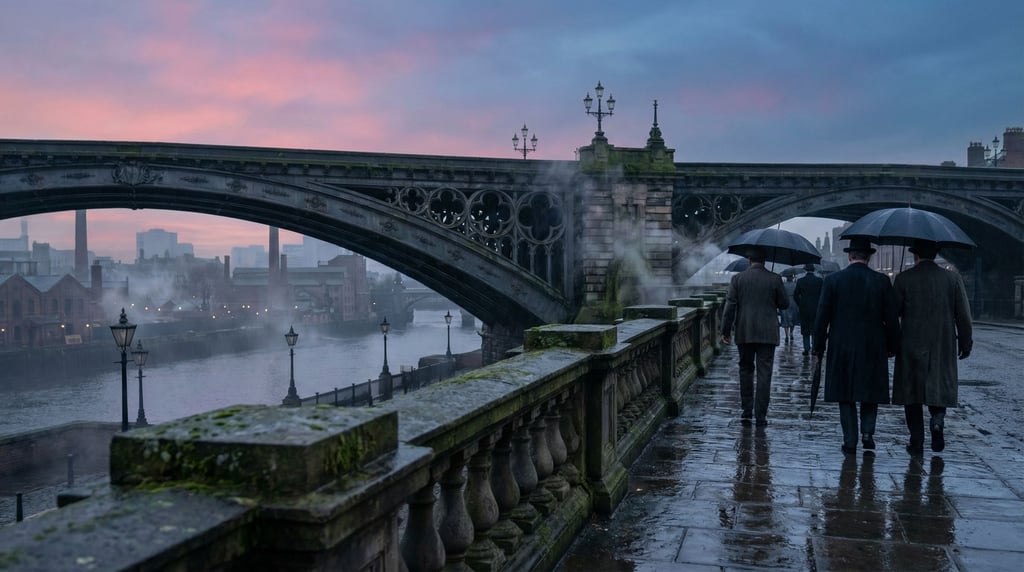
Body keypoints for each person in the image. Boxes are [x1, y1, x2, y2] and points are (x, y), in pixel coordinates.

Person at [813, 238, 900, 454]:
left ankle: (850, 439)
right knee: (870, 391)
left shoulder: (833, 280)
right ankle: (868, 433)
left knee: (845, 393)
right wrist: (893, 345)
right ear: (868, 256)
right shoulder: (881, 281)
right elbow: (891, 319)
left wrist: (818, 345)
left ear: (850, 256)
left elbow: (822, 316)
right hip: (873, 345)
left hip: (841, 344)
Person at [891, 239, 973, 454]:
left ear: (915, 255)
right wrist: (965, 342)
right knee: (938, 384)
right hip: (942, 342)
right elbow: (963, 315)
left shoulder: (903, 278)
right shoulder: (952, 278)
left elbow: (893, 314)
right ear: (936, 254)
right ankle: (937, 420)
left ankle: (916, 439)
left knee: (912, 392)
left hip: (911, 343)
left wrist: (891, 342)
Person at [721, 247, 790, 426]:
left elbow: (729, 309)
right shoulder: (774, 279)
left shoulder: (737, 279)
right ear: (764, 260)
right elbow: (784, 304)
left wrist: (725, 332)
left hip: (745, 331)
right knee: (764, 374)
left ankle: (746, 411)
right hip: (767, 333)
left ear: (749, 261)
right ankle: (761, 415)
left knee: (745, 370)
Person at [793, 264, 824, 355]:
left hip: (804, 308)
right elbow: (823, 295)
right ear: (814, 270)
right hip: (816, 308)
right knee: (815, 329)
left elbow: (795, 295)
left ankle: (806, 348)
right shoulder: (819, 281)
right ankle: (814, 348)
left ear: (805, 270)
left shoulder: (800, 281)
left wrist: (800, 304)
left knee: (805, 329)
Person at [779, 274, 798, 342]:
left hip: (785, 302)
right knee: (793, 319)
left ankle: (786, 335)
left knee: (785, 319)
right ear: (792, 278)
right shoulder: (795, 285)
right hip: (794, 302)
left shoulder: (783, 285)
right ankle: (791, 333)